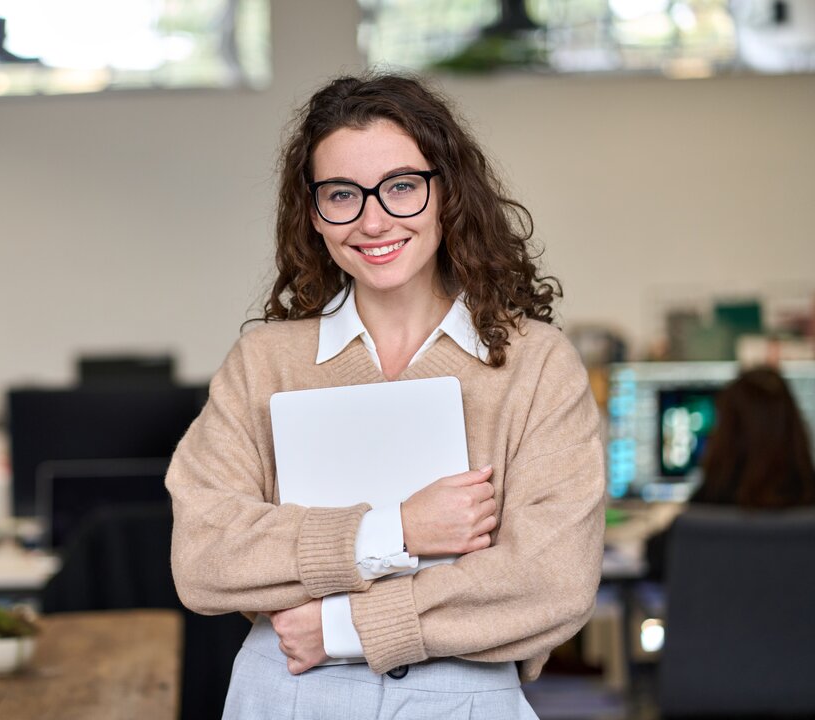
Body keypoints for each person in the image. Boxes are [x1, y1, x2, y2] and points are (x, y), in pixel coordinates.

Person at [165, 72, 605, 719]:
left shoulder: (537, 365)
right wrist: (397, 528)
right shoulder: (264, 363)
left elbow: (551, 581)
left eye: (401, 186)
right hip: (285, 690)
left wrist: (344, 627)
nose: (373, 220)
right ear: (313, 212)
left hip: (460, 696)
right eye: (342, 194)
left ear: (446, 192)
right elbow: (204, 556)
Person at [646, 365, 815, 580]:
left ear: (726, 435)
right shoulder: (809, 502)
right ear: (795, 430)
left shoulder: (708, 507)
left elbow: (655, 556)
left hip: (715, 614)